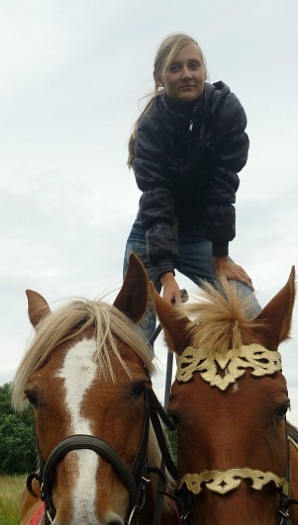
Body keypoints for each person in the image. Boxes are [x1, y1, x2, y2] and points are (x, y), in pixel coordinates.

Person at [124, 33, 261, 341]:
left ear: (204, 70)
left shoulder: (226, 111)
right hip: (151, 235)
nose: (186, 74)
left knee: (252, 318)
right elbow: (156, 200)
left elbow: (222, 189)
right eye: (175, 68)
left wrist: (221, 257)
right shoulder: (150, 128)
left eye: (193, 65)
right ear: (159, 77)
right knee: (135, 335)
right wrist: (166, 276)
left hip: (201, 235)